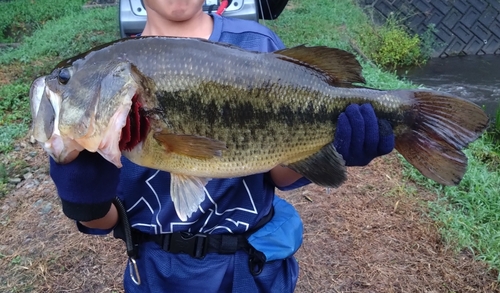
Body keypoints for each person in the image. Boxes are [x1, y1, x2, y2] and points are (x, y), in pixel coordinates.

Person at [49, 1, 395, 292]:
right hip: (156, 274)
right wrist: (84, 197)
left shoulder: (258, 44)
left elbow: (278, 175)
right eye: (65, 81)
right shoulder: (108, 82)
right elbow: (103, 221)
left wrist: (335, 146)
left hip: (253, 270)